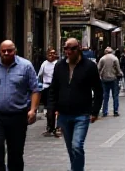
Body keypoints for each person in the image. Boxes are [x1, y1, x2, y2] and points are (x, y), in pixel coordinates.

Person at [0, 40, 40, 171]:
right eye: (3, 51)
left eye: (10, 51)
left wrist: (33, 110)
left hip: (18, 115)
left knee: (16, 153)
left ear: (15, 51)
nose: (6, 53)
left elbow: (35, 90)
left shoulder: (26, 66)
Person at [49, 37, 103, 171]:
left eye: (72, 48)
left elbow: (98, 90)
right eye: (66, 48)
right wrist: (52, 109)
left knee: (77, 146)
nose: (69, 51)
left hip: (82, 113)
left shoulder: (89, 66)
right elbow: (54, 89)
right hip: (64, 114)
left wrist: (95, 111)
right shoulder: (59, 66)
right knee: (70, 148)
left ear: (79, 48)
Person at [38, 47, 59, 137]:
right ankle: (50, 127)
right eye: (49, 54)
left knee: (57, 108)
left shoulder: (58, 64)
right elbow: (39, 75)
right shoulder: (44, 64)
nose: (51, 55)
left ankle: (58, 128)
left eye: (53, 53)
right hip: (47, 87)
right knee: (50, 109)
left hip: (57, 88)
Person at [97, 46, 122, 117]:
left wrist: (100, 76)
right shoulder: (115, 58)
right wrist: (119, 74)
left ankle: (105, 111)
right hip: (113, 79)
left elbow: (98, 68)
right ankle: (115, 111)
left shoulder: (102, 59)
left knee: (105, 96)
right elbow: (118, 69)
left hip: (104, 79)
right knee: (115, 95)